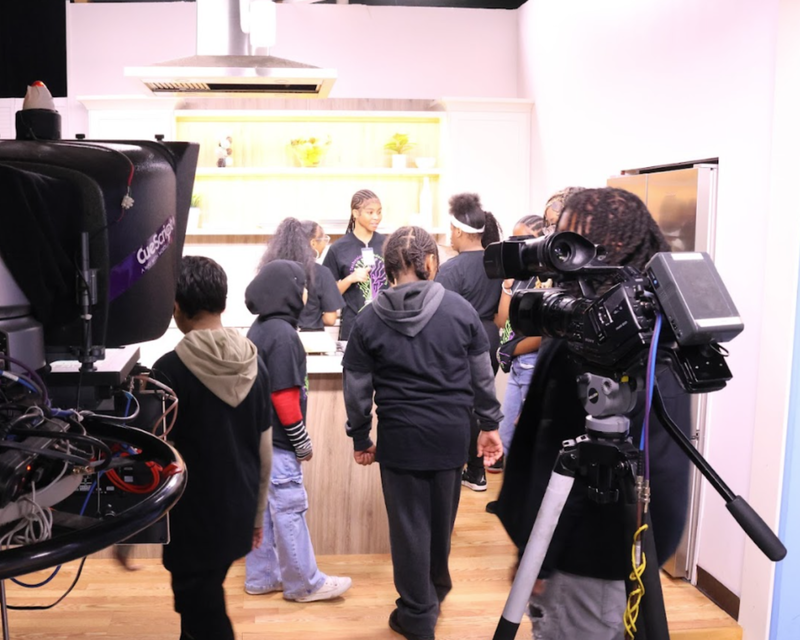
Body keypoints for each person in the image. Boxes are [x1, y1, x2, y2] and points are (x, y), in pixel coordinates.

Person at [495, 188, 692, 640]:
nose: (557, 247)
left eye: (570, 236)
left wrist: (539, 559)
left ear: (610, 244)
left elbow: (571, 459)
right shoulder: (642, 316)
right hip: (623, 550)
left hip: (585, 557)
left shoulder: (610, 339)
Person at [342, 226, 504, 640]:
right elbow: (482, 376)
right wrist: (489, 425)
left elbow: (357, 389)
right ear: (431, 262)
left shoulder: (368, 319)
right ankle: (432, 592)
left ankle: (417, 613)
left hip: (401, 440)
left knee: (409, 528)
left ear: (387, 267)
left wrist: (361, 436)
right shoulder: (460, 310)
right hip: (452, 435)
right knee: (440, 522)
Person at [151, 256, 272, 640]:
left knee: (201, 609)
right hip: (239, 510)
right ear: (223, 300)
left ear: (176, 307)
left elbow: (158, 457)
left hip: (192, 520)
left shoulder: (168, 370)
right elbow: (265, 452)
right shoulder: (256, 364)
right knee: (201, 599)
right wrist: (257, 516)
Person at [243, 259, 352, 602]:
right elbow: (284, 397)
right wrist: (302, 443)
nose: (307, 291)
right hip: (279, 443)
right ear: (288, 291)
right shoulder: (284, 335)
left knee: (264, 513)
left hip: (258, 441)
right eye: (302, 285)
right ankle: (305, 584)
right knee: (289, 511)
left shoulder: (259, 328)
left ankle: (262, 578)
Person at [434, 192, 503, 492]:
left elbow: (439, 314)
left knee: (460, 407)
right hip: (490, 337)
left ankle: (463, 469)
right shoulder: (497, 265)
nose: (450, 236)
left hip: (460, 342)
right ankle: (477, 471)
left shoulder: (451, 269)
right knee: (481, 404)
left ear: (459, 231)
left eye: (451, 230)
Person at [322, 189, 388, 341]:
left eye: (379, 212)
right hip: (353, 327)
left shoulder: (388, 244)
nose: (376, 217)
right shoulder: (338, 248)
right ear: (356, 213)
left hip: (385, 325)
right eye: (370, 212)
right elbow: (327, 294)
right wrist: (350, 279)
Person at [256, 217, 344, 331]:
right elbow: (330, 319)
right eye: (324, 239)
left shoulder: (273, 270)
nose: (325, 243)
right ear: (313, 243)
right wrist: (312, 320)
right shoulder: (323, 273)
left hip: (277, 333)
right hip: (310, 336)